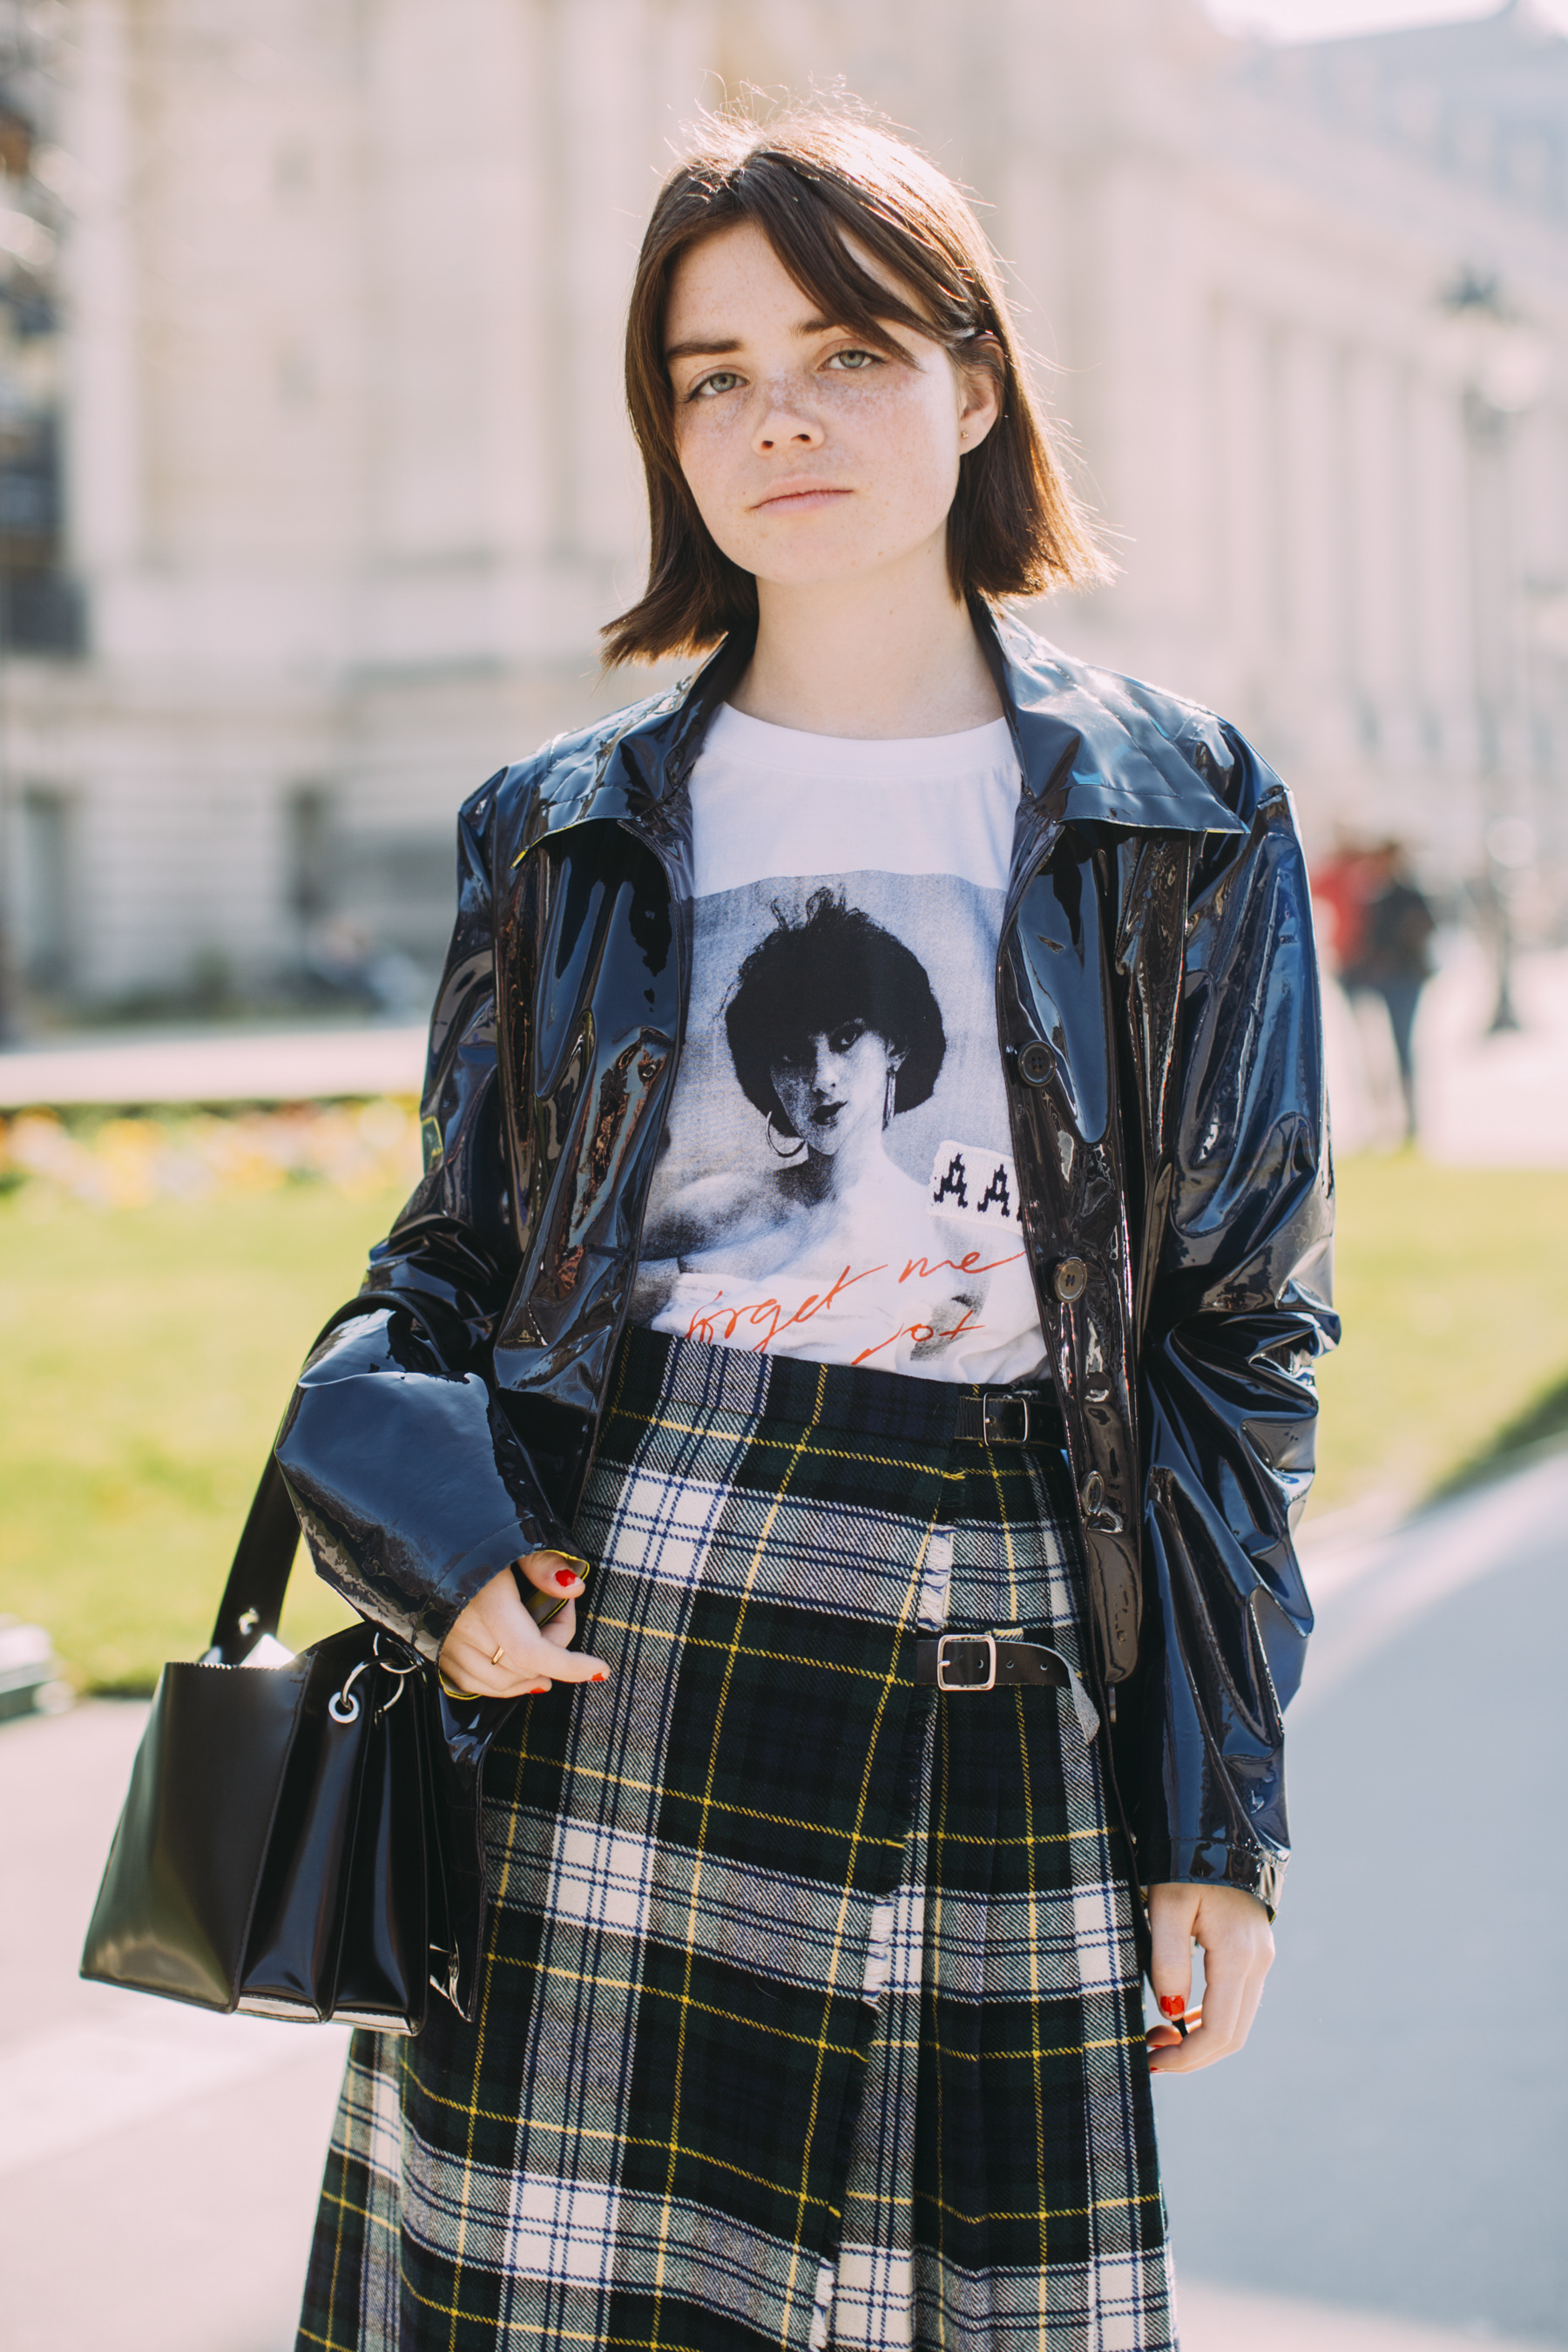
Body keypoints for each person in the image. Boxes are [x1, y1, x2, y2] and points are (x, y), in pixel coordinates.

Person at [280, 105, 1335, 2352]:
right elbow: (445, 1268)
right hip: (615, 1632)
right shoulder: (558, 826)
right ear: (669, 434)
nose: (779, 414)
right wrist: (434, 1543)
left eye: (846, 348)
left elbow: (1237, 1333)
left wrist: (1217, 1827)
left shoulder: (1185, 805)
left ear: (974, 386)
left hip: (1005, 1642)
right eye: (711, 369)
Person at [1340, 841, 1436, 1142]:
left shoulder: (1409, 896)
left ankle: (1410, 1119)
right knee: (1384, 1049)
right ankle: (1388, 1119)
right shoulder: (1375, 897)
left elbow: (1424, 930)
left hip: (1404, 978)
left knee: (1402, 1047)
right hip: (1388, 978)